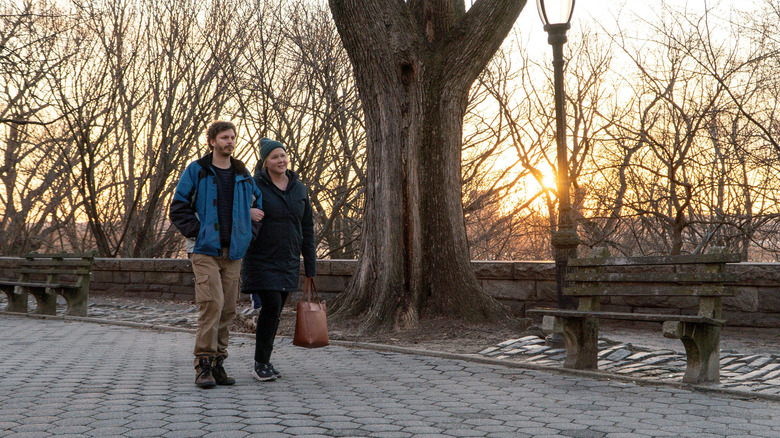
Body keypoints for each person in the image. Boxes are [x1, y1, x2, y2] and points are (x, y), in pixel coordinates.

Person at [169, 121, 264, 388]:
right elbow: (178, 207)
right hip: (204, 250)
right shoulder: (197, 170)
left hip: (233, 252)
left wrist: (248, 234)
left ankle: (219, 363)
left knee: (228, 309)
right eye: (224, 137)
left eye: (233, 137)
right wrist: (199, 233)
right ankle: (204, 366)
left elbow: (258, 208)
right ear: (212, 141)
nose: (230, 141)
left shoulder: (242, 173)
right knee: (212, 304)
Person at [241, 137, 316, 382]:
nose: (280, 160)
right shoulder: (253, 186)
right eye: (274, 157)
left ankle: (265, 361)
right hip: (261, 258)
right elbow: (233, 210)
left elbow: (307, 227)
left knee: (275, 311)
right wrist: (247, 212)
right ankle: (260, 363)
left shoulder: (299, 188)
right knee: (271, 307)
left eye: (283, 155)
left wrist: (310, 265)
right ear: (265, 162)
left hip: (289, 260)